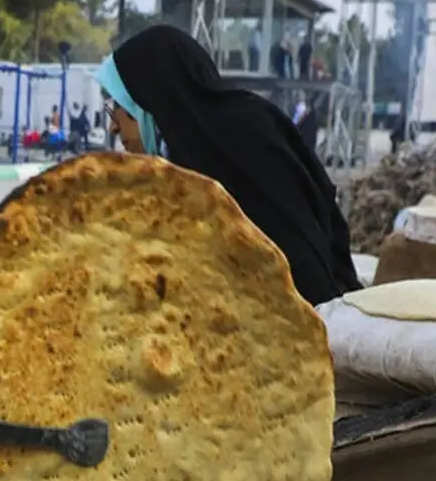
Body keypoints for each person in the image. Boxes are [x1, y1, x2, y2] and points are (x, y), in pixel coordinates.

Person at [95, 24, 360, 307]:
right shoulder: (179, 158)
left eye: (117, 107)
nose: (112, 126)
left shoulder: (241, 134)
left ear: (146, 95)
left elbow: (296, 255)